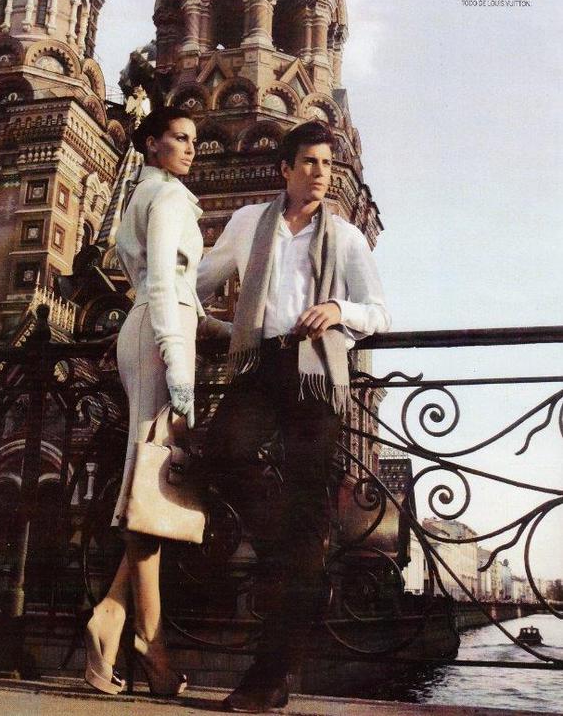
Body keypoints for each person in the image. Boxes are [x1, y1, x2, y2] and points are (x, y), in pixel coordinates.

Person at [197, 120, 391, 713]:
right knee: (221, 452)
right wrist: (155, 290)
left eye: (327, 164)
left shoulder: (347, 238)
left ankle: (270, 677)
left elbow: (379, 312)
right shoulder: (248, 222)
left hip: (315, 376)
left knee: (309, 519)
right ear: (284, 169)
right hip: (261, 363)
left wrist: (338, 309)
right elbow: (202, 278)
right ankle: (285, 543)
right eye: (309, 162)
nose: (320, 173)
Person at [83, 106, 206, 697]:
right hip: (162, 336)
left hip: (156, 329)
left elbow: (172, 284)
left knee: (149, 480)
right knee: (151, 481)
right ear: (152, 143)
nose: (190, 148)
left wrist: (215, 327)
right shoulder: (169, 197)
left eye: (193, 139)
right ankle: (149, 645)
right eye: (179, 138)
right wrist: (179, 363)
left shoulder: (148, 194)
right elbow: (161, 279)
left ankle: (111, 616)